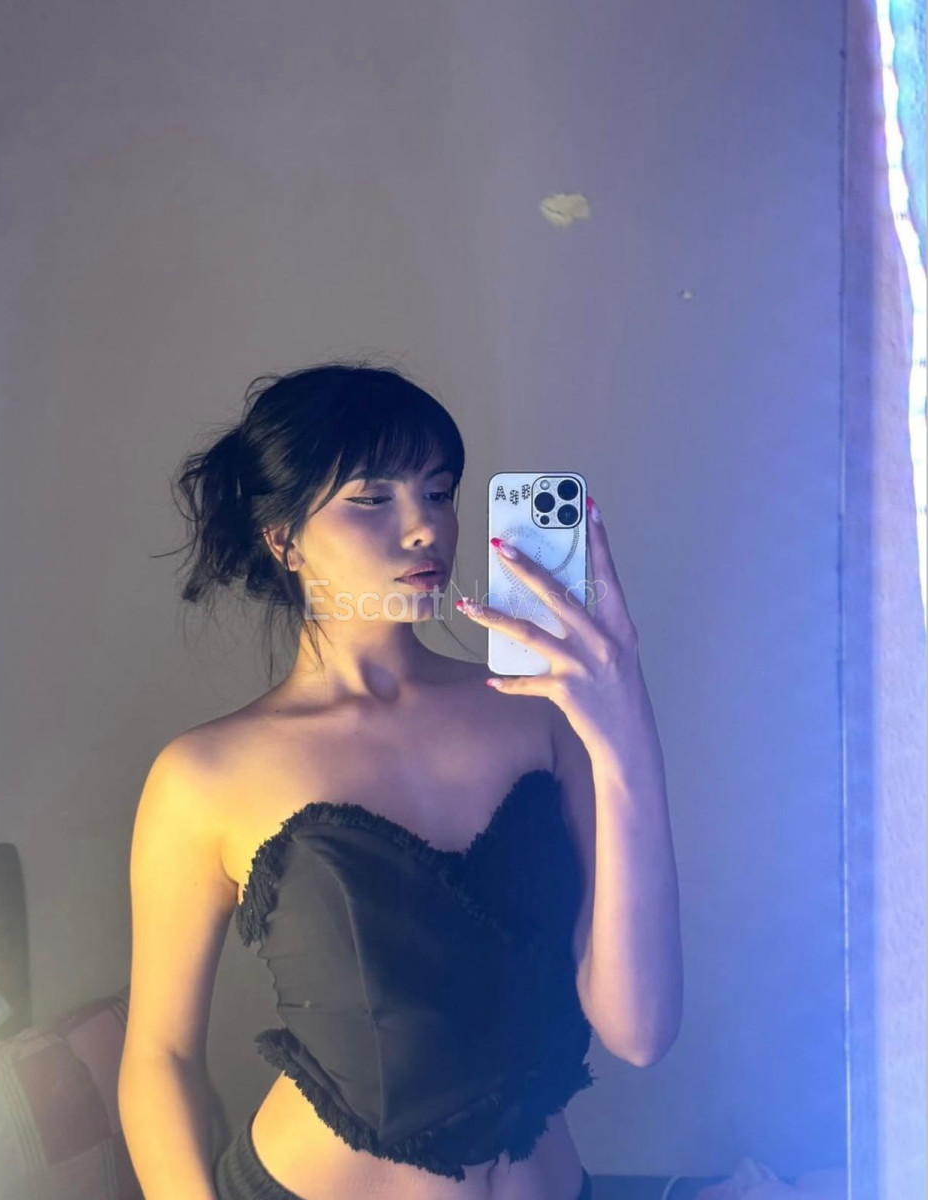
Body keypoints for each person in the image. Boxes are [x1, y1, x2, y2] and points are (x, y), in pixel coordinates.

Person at [118, 359, 621, 1199]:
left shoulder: (540, 712)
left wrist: (623, 718)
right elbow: (159, 1056)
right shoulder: (204, 774)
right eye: (372, 498)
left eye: (439, 491)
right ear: (283, 539)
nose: (426, 527)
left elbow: (636, 1019)